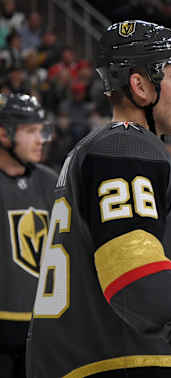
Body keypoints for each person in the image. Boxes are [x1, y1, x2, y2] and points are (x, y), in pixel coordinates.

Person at [26, 20, 171, 378]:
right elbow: (133, 274)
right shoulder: (127, 147)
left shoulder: (103, 147)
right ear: (140, 85)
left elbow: (111, 260)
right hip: (119, 360)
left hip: (87, 358)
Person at [0, 93, 57, 378]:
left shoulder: (50, 181)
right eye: (31, 132)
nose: (41, 139)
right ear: (4, 134)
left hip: (44, 325)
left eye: (42, 131)